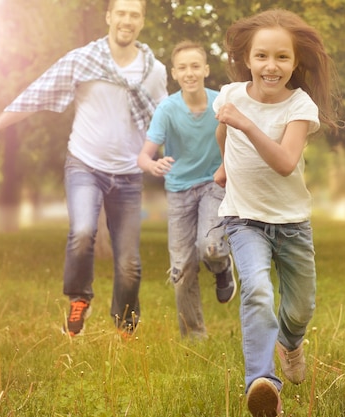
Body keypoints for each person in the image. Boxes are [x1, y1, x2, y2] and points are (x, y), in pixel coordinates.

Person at [0, 0, 167, 336]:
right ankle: (79, 300)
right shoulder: (82, 60)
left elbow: (165, 117)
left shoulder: (154, 70)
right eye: (121, 13)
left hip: (129, 174)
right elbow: (37, 92)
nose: (127, 20)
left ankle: (125, 325)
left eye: (134, 14)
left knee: (129, 263)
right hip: (85, 165)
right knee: (81, 232)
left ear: (142, 21)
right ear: (109, 17)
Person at [213, 9, 340, 417]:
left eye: (282, 57)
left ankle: (290, 341)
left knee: (301, 307)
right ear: (247, 59)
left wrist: (247, 126)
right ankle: (262, 382)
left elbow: (285, 161)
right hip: (243, 218)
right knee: (258, 291)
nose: (272, 66)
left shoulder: (300, 105)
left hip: (291, 224)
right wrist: (224, 166)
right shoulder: (230, 96)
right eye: (262, 56)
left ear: (295, 62)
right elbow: (222, 129)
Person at [137, 40, 236, 341]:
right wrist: (152, 165)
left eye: (195, 66)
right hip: (179, 190)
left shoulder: (221, 104)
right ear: (174, 74)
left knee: (209, 247)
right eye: (183, 68)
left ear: (206, 69)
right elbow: (143, 155)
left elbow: (240, 141)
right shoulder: (167, 109)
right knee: (181, 268)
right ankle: (195, 337)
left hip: (213, 183)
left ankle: (222, 265)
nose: (190, 73)